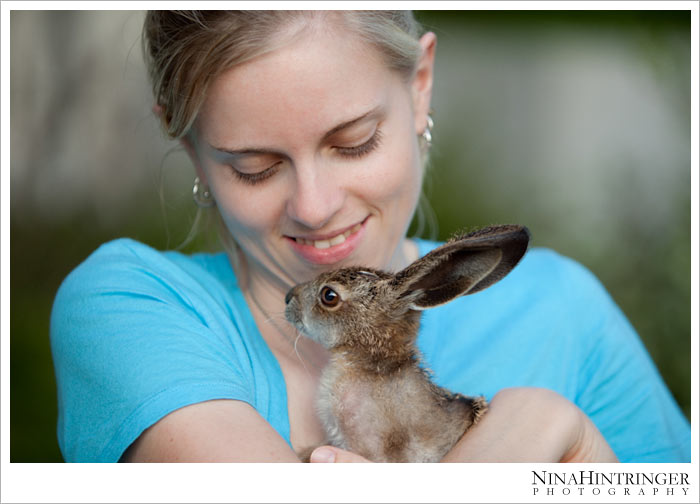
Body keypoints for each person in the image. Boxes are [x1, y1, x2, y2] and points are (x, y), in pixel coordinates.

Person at [50, 10, 688, 463]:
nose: (316, 206)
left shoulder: (562, 310)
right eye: (255, 166)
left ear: (419, 87)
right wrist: (526, 442)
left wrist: (578, 439)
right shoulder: (135, 309)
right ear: (187, 145)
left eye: (354, 143)